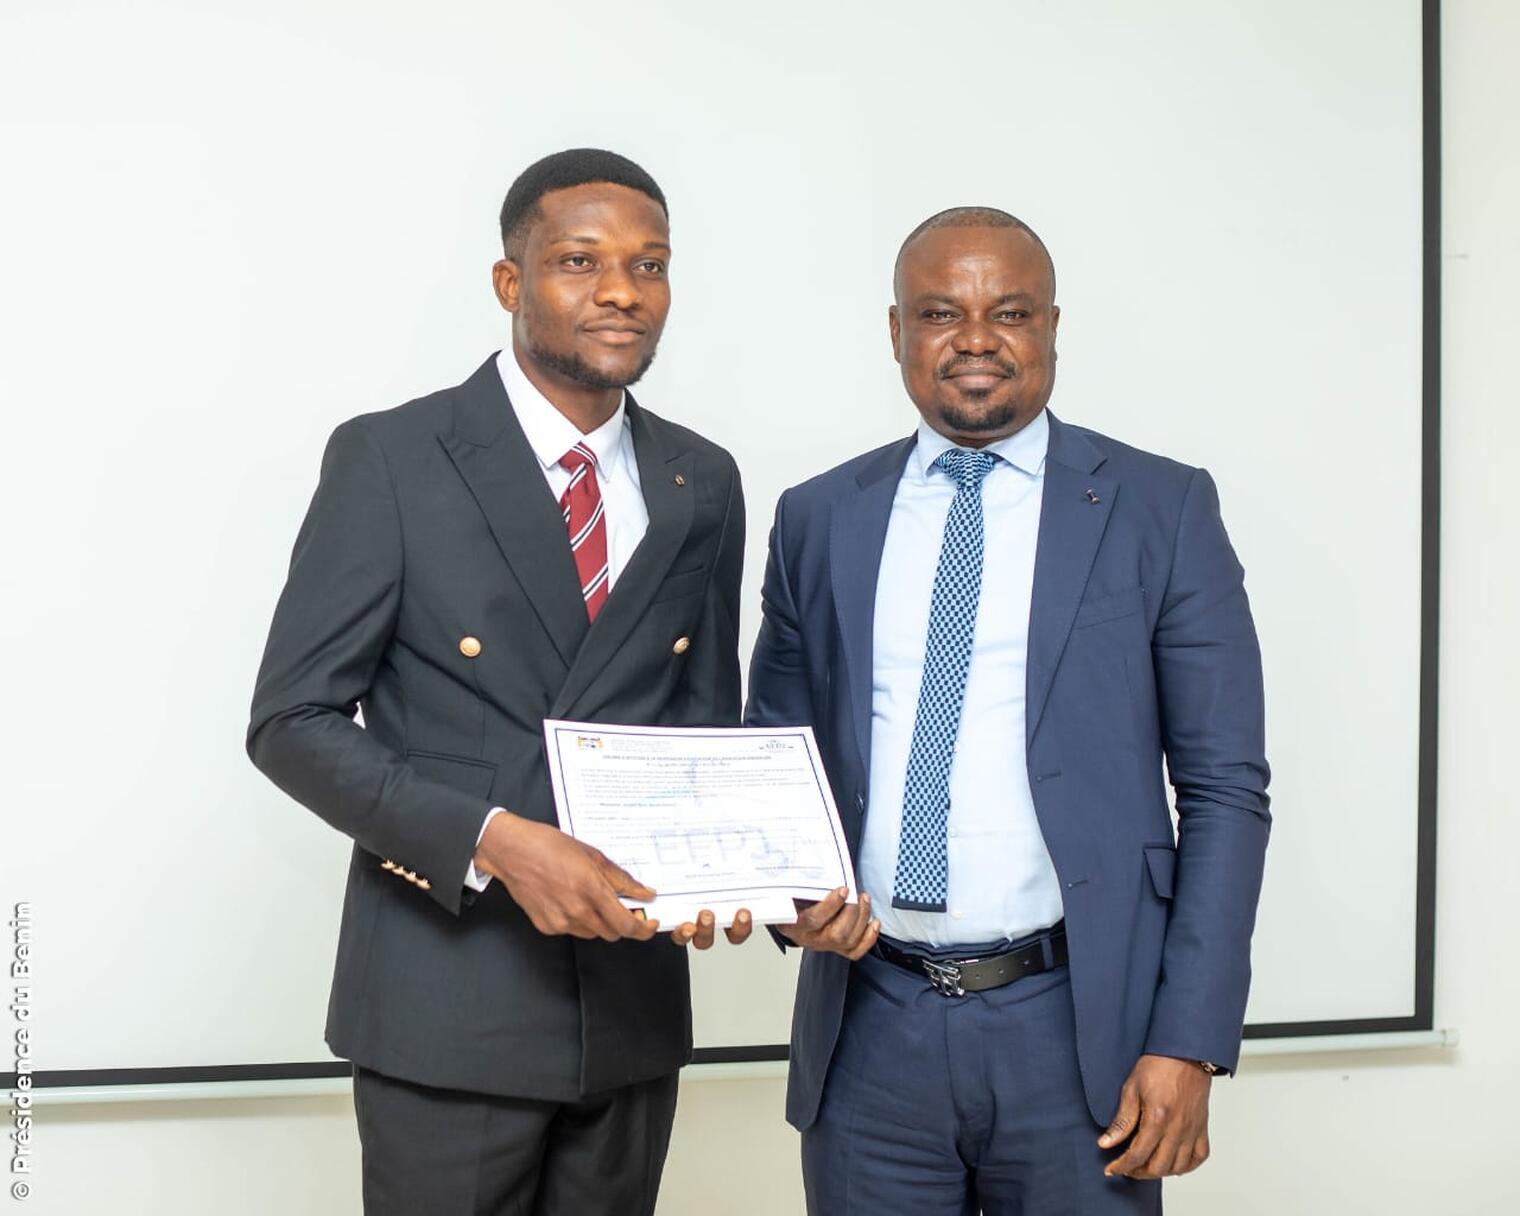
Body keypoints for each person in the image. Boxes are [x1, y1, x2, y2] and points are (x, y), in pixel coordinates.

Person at [247, 148, 751, 1216]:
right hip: (447, 1004)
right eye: (580, 260)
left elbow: (702, 726)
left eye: (649, 264)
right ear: (509, 281)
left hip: (628, 1006)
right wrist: (492, 838)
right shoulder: (394, 458)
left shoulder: (701, 479)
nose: (621, 290)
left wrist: (725, 871)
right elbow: (292, 719)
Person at [747, 206, 1270, 1214]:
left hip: (1078, 1032)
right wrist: (789, 892)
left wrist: (1189, 1040)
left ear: (1052, 327)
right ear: (896, 331)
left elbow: (1224, 791)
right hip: (870, 1031)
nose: (976, 339)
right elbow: (776, 754)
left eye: (1012, 312)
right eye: (941, 312)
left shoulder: (1159, 509)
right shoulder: (817, 517)